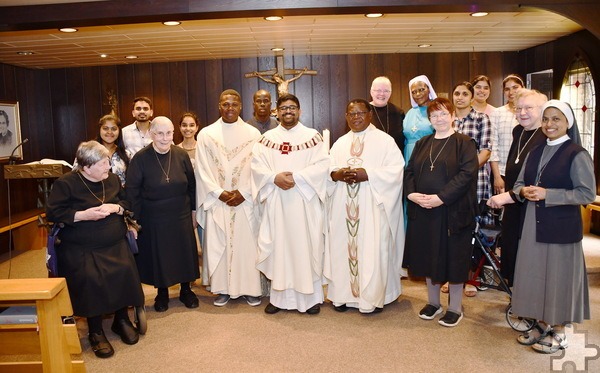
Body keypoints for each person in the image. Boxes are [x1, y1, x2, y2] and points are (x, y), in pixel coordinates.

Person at [487, 100, 595, 354]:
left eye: (556, 119)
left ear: (568, 122)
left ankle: (558, 330)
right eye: (546, 119)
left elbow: (587, 193)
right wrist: (523, 190)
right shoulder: (535, 150)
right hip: (532, 225)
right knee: (536, 277)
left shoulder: (577, 153)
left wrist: (549, 194)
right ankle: (541, 324)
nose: (549, 124)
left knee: (557, 280)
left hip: (560, 229)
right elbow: (520, 183)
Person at [46, 140, 144, 358]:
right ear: (86, 167)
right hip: (82, 246)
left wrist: (116, 208)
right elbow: (53, 213)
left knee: (123, 272)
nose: (108, 167)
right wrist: (83, 215)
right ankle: (96, 330)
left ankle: (121, 319)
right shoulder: (66, 184)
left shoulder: (113, 180)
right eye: (103, 164)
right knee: (91, 279)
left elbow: (129, 204)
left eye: (107, 162)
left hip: (115, 242)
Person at [251, 93, 330, 315]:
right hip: (277, 201)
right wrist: (273, 178)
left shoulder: (312, 137)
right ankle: (279, 298)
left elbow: (323, 164)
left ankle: (310, 299)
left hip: (304, 201)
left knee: (306, 247)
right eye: (284, 108)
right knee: (279, 248)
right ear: (277, 111)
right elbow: (256, 166)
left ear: (300, 111)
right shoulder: (266, 139)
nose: (288, 111)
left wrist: (298, 178)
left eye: (292, 107)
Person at [403, 97, 479, 327]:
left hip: (453, 211)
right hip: (424, 210)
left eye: (444, 114)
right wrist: (412, 194)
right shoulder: (422, 143)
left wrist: (440, 198)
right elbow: (409, 172)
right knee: (428, 256)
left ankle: (455, 307)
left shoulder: (464, 142)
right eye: (434, 115)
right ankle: (433, 303)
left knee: (454, 258)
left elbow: (467, 174)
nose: (439, 119)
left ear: (453, 116)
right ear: (429, 120)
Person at [324, 99, 405, 314]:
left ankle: (373, 298)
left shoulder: (385, 141)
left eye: (361, 113)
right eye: (351, 114)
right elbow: (327, 169)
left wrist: (368, 174)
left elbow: (396, 170)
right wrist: (337, 174)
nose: (356, 117)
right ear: (346, 117)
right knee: (343, 247)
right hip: (343, 205)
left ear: (370, 114)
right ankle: (342, 296)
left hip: (373, 206)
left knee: (373, 248)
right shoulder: (340, 143)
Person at [196, 89, 262, 307]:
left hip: (245, 199)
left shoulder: (253, 134)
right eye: (225, 104)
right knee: (220, 244)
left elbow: (259, 168)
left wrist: (244, 192)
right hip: (219, 200)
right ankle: (222, 289)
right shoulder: (206, 134)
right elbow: (202, 170)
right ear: (219, 106)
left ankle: (250, 289)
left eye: (234, 104)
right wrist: (218, 193)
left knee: (247, 245)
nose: (230, 108)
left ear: (241, 106)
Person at [126, 116, 200, 312]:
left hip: (181, 213)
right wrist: (134, 220)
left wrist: (194, 211)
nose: (165, 138)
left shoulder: (181, 155)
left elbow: (192, 185)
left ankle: (186, 290)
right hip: (153, 217)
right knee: (160, 256)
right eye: (160, 133)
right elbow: (132, 191)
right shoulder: (140, 158)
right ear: (151, 134)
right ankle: (163, 293)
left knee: (184, 253)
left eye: (168, 133)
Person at [500, 88, 547, 286]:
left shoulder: (546, 135)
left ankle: (529, 296)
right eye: (518, 108)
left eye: (529, 108)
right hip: (513, 198)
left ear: (542, 109)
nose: (522, 112)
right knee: (511, 245)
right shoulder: (518, 130)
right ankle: (516, 293)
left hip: (532, 202)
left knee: (527, 249)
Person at [450, 81, 492, 297]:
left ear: (471, 97)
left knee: (471, 232)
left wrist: (465, 171)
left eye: (465, 93)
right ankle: (453, 276)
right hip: (450, 185)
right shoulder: (448, 120)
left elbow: (485, 152)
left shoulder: (480, 119)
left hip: (475, 182)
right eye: (456, 93)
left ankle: (470, 279)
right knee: (452, 231)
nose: (460, 97)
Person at [489, 74, 524, 195]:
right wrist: (497, 177)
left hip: (525, 171)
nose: (511, 92)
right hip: (503, 172)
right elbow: (493, 146)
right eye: (507, 89)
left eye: (515, 87)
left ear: (523, 88)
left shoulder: (529, 112)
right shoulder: (497, 113)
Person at [403, 75, 437, 163]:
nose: (417, 94)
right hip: (409, 155)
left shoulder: (437, 110)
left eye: (421, 90)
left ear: (428, 89)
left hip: (429, 155)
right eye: (414, 92)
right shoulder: (410, 113)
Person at [369, 76, 406, 153]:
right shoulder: (363, 112)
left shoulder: (398, 112)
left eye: (386, 91)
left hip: (395, 160)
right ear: (371, 92)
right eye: (378, 90)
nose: (382, 94)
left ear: (390, 93)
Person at [95, 114, 129, 187]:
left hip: (120, 196)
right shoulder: (88, 153)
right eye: (105, 128)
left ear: (119, 131)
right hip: (95, 195)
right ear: (99, 129)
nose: (109, 132)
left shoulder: (126, 154)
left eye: (114, 129)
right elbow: (77, 176)